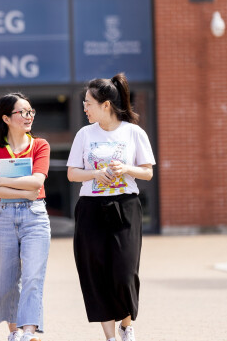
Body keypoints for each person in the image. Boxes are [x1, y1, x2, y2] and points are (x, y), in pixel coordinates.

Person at [66, 73, 155, 341]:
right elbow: (72, 173)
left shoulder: (133, 132)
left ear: (106, 105)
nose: (84, 108)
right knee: (94, 272)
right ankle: (110, 337)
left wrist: (125, 168)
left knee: (124, 272)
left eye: (88, 103)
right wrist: (95, 174)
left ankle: (126, 326)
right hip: (91, 208)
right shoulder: (84, 134)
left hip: (125, 207)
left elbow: (147, 172)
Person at [0, 93, 51, 341]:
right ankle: (14, 332)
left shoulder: (40, 145)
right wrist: (23, 189)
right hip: (3, 217)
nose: (29, 117)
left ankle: (29, 332)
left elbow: (37, 183)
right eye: (23, 112)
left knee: (32, 276)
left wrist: (2, 181)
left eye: (31, 112)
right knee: (6, 279)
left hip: (35, 217)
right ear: (7, 118)